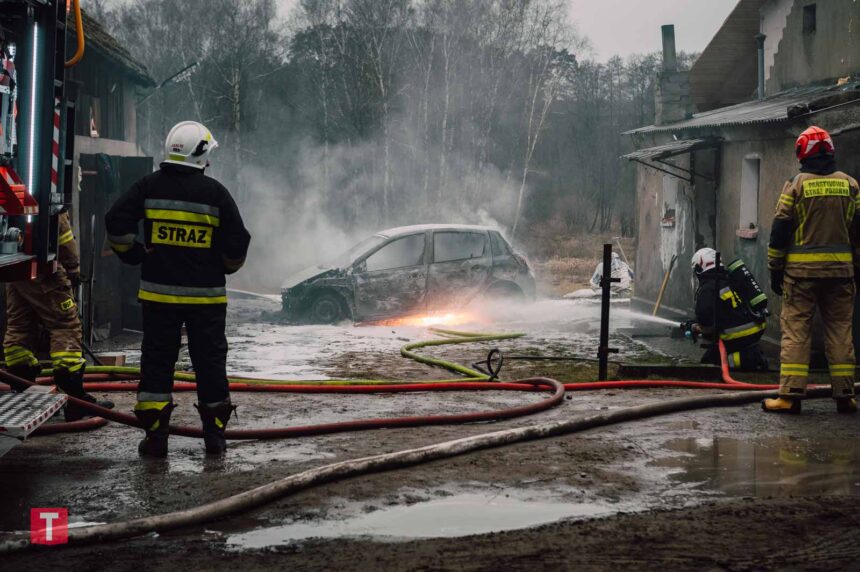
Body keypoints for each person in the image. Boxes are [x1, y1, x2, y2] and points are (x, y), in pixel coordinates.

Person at [105, 121, 251, 457]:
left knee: (156, 363)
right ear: (200, 154)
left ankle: (156, 438)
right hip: (207, 300)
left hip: (158, 297)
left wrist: (135, 254)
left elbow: (116, 221)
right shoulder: (216, 194)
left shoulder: (148, 186)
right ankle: (214, 438)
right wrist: (224, 266)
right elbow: (238, 242)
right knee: (210, 364)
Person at [764, 126, 860, 414]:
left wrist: (775, 269)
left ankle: (790, 396)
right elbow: (858, 231)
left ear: (801, 152)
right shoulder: (851, 185)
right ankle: (845, 395)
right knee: (841, 332)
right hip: (841, 275)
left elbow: (780, 230)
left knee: (796, 332)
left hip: (801, 275)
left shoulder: (796, 185)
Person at [3, 210, 114, 419]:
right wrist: (73, 270)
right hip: (44, 269)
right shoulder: (47, 193)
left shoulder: (12, 196)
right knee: (65, 326)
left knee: (20, 327)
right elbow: (64, 238)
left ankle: (21, 390)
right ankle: (75, 400)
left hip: (14, 268)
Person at [685, 248, 768, 371]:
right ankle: (752, 356)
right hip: (757, 328)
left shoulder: (707, 289)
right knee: (712, 359)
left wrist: (694, 327)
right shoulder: (731, 277)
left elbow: (706, 325)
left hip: (736, 335)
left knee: (709, 365)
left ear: (698, 268)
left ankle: (751, 360)